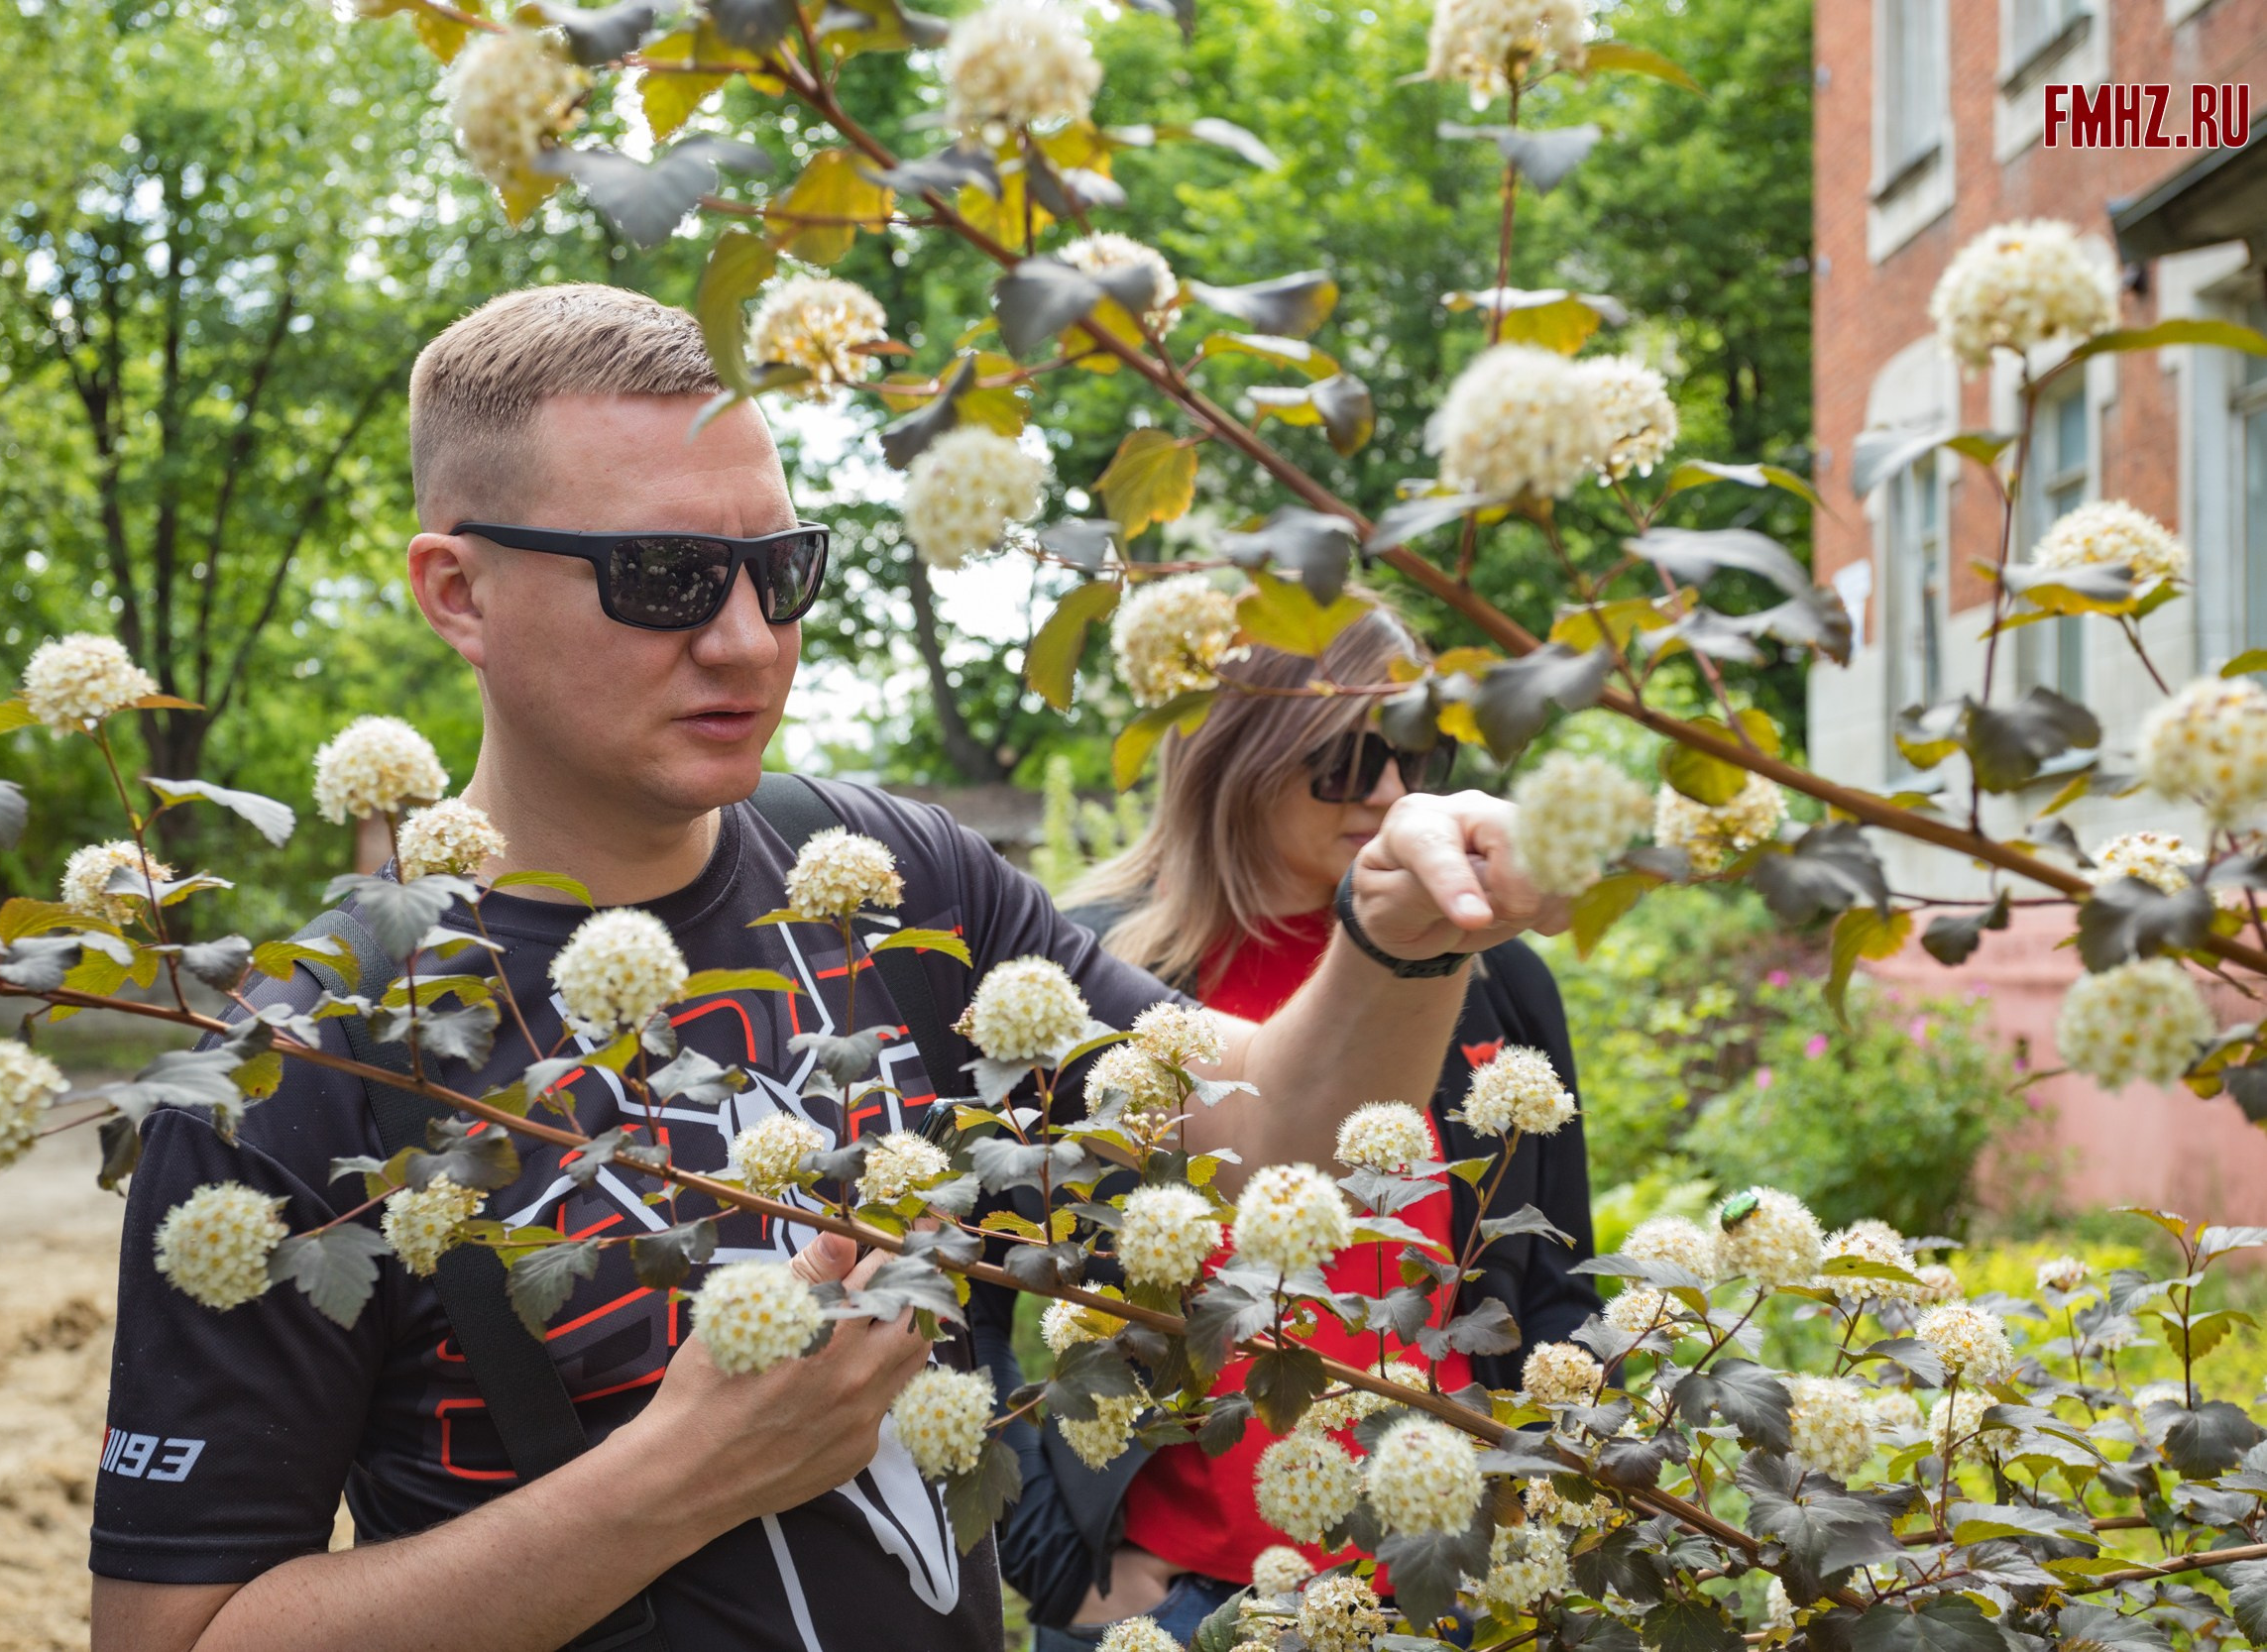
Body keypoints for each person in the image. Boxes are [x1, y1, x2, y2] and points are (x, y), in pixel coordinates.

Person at [85, 284, 1561, 1652]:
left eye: (776, 570)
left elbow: (1269, 1131)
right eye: (662, 576)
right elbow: (171, 1634)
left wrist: (1399, 934)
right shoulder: (311, 1049)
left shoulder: (898, 876)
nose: (747, 640)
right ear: (456, 592)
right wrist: (675, 1480)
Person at [973, 603, 1602, 1648]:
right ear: (1235, 751)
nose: (1395, 791)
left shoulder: (1490, 979)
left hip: (1443, 1584)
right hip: (1171, 1605)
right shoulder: (1087, 983)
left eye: (1415, 749)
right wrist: (1063, 1567)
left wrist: (1546, 1515)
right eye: (1348, 761)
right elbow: (972, 1290)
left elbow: (1554, 1278)